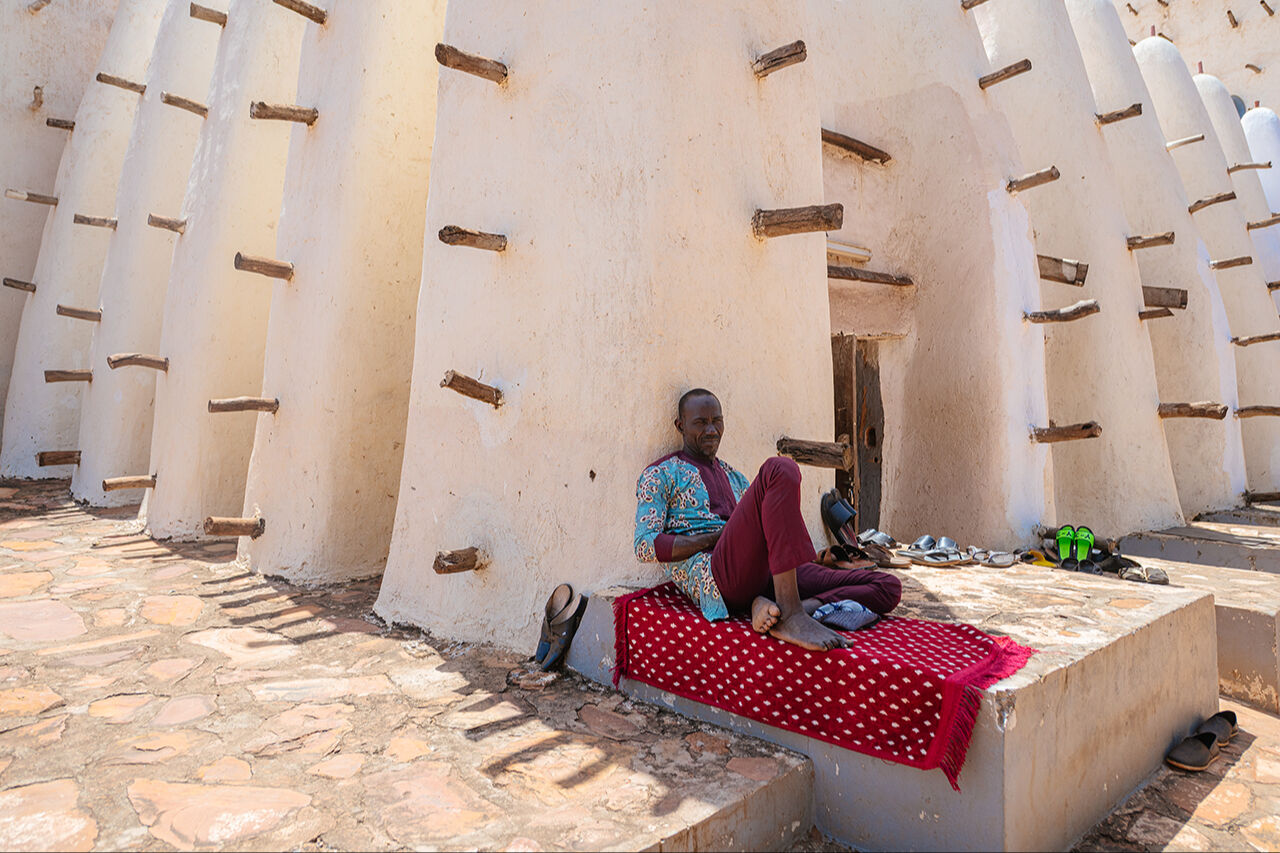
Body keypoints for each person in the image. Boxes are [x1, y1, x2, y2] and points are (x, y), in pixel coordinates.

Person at [634, 388, 901, 651]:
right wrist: (714, 538)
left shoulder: (734, 476)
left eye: (717, 421)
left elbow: (762, 530)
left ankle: (790, 608)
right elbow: (644, 545)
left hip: (760, 574)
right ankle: (791, 614)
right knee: (779, 468)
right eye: (701, 423)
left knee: (886, 586)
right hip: (715, 574)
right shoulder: (660, 474)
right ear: (680, 425)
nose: (712, 430)